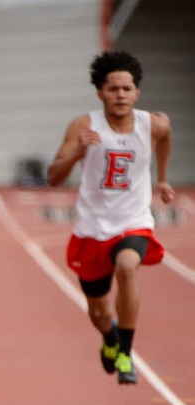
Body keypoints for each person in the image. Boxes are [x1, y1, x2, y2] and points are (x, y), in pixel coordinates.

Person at [47, 49, 175, 385]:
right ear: (100, 92)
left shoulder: (153, 124)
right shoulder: (85, 125)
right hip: (92, 229)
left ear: (137, 93)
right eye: (113, 89)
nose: (121, 95)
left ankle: (125, 354)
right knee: (100, 313)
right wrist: (78, 151)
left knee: (128, 266)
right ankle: (110, 337)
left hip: (133, 222)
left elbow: (165, 137)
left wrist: (161, 178)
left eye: (127, 88)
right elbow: (53, 177)